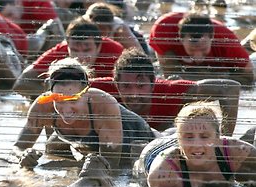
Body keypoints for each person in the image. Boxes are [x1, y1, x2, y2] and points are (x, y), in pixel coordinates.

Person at [12, 58, 155, 170]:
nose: (66, 109)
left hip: (141, 141)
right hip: (88, 146)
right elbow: (18, 147)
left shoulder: (103, 105)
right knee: (52, 146)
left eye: (73, 100)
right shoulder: (42, 107)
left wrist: (67, 167)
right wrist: (24, 156)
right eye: (59, 100)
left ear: (86, 94)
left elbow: (110, 166)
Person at [90, 48, 241, 134]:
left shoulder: (170, 92)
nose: (134, 93)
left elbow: (230, 88)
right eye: (126, 86)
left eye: (141, 86)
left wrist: (225, 139)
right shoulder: (103, 90)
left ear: (153, 84)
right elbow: (69, 81)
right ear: (117, 85)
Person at [134, 101, 256, 187]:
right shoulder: (162, 176)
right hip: (155, 150)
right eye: (189, 137)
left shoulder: (239, 152)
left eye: (204, 137)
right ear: (179, 140)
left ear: (218, 138)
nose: (197, 144)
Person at [14, 17, 125, 99]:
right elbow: (21, 83)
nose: (80, 57)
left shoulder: (115, 52)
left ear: (99, 46)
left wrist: (71, 88)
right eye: (75, 50)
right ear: (67, 45)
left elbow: (129, 87)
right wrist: (55, 93)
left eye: (87, 51)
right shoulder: (61, 51)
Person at [148, 12, 254, 85]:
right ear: (180, 38)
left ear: (212, 37)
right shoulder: (163, 30)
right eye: (192, 50)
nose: (198, 57)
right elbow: (171, 79)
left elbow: (248, 78)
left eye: (203, 51)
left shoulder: (226, 40)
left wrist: (215, 78)